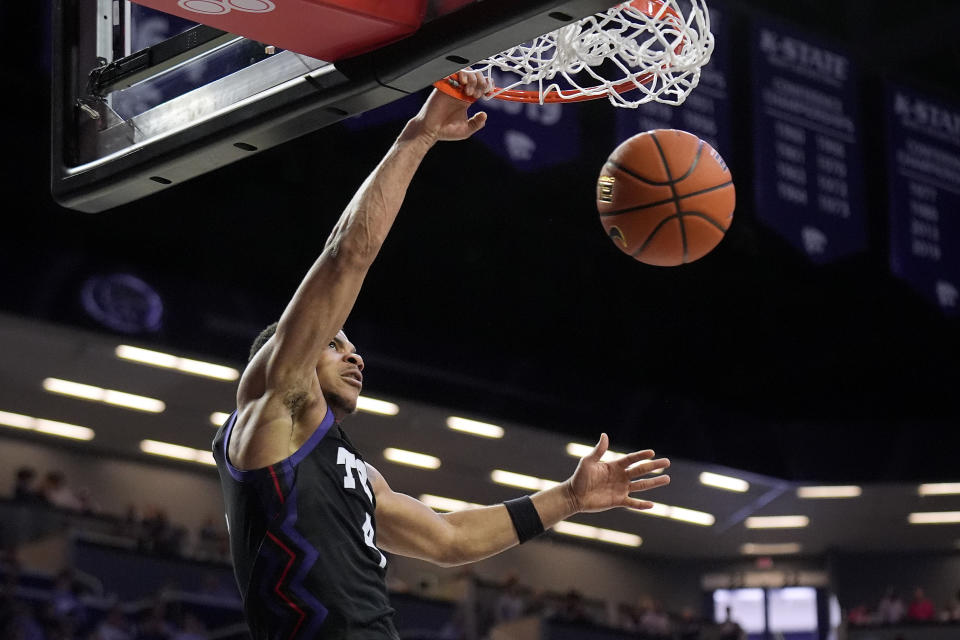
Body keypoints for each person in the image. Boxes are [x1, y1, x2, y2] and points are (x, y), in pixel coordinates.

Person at [212, 71, 672, 640]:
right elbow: (348, 254)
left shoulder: (352, 474)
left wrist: (569, 499)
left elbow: (448, 540)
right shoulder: (272, 401)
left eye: (352, 345)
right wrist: (418, 135)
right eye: (335, 343)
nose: (355, 356)